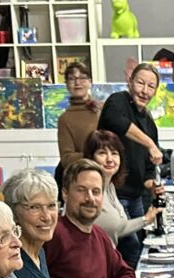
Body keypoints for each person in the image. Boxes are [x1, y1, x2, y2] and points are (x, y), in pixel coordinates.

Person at [97, 62, 162, 253]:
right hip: (112, 194)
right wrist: (150, 144)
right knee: (131, 247)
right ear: (130, 82)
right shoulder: (118, 101)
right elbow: (116, 121)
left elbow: (148, 170)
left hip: (136, 197)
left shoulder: (149, 123)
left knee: (141, 245)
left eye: (151, 86)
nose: (144, 91)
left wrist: (152, 185)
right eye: (140, 83)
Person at [86, 129, 162, 267]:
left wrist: (147, 218)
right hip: (94, 267)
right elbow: (114, 228)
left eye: (114, 153)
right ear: (91, 158)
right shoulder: (88, 192)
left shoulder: (110, 186)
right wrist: (145, 220)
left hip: (109, 263)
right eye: (102, 153)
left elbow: (117, 226)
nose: (110, 159)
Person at [55, 61, 100, 191]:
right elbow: (67, 158)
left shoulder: (102, 110)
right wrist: (94, 155)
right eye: (72, 79)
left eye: (82, 78)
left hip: (106, 176)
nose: (77, 82)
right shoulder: (65, 119)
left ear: (90, 82)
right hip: (80, 178)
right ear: (66, 85)